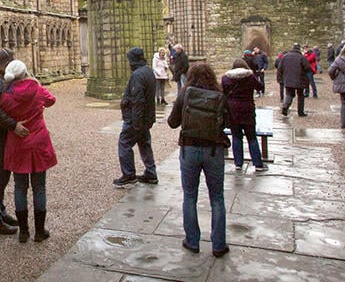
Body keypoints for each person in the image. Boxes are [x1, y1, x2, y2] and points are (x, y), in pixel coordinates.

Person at [167, 62, 231, 258]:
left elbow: (172, 123)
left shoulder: (185, 94)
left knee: (189, 196)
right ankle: (218, 245)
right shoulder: (220, 96)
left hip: (190, 150)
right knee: (217, 198)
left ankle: (192, 241)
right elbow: (228, 122)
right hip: (213, 150)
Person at [0, 60, 57, 243]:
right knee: (39, 187)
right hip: (38, 142)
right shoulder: (37, 89)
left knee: (20, 187)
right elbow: (51, 100)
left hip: (18, 144)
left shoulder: (6, 97)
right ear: (25, 73)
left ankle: (23, 232)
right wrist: (36, 83)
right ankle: (39, 232)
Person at [0, 48, 28, 235]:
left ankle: (0, 213)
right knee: (0, 178)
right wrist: (13, 125)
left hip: (0, 134)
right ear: (7, 62)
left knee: (3, 176)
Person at [114, 47, 158, 187]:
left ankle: (128, 174)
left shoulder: (138, 75)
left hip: (136, 119)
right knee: (144, 143)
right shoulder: (148, 71)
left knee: (124, 143)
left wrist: (136, 122)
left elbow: (138, 99)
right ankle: (151, 173)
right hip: (146, 117)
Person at [221, 59, 267, 172]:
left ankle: (238, 163)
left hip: (233, 110)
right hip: (247, 109)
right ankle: (258, 164)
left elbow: (222, 93)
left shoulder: (226, 78)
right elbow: (260, 87)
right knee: (251, 137)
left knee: (236, 137)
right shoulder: (250, 77)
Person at [278, 44, 311, 117]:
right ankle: (300, 111)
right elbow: (307, 68)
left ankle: (285, 106)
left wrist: (281, 78)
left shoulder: (285, 57)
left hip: (288, 79)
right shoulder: (301, 57)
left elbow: (280, 68)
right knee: (300, 95)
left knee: (289, 94)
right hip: (300, 79)